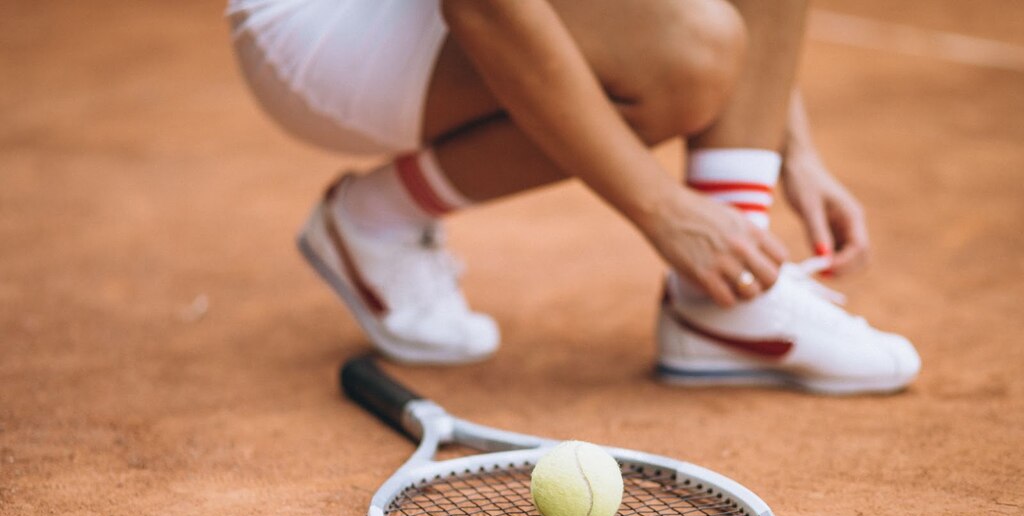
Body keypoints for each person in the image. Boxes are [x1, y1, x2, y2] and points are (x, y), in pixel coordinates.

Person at [226, 0, 920, 395]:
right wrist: (661, 207)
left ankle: (725, 308)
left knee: (692, 42)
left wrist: (786, 152)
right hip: (322, 22)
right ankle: (381, 214)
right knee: (682, 56)